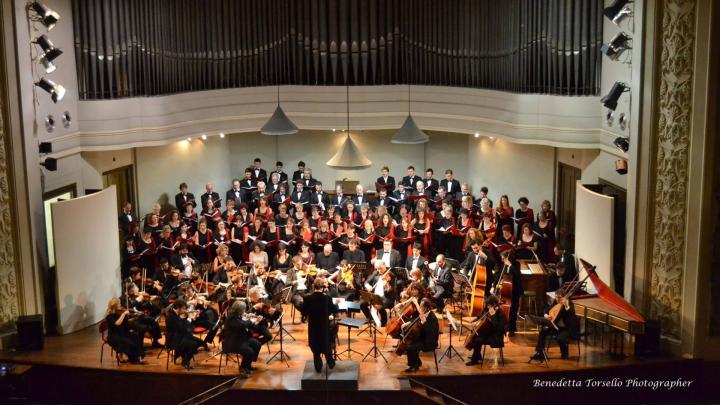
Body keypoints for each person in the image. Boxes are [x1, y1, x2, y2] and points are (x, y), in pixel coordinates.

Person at [300, 278, 338, 373]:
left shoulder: (308, 298)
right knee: (326, 344)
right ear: (323, 287)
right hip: (324, 326)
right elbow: (333, 310)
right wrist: (336, 305)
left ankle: (318, 367)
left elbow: (304, 311)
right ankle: (330, 362)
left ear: (313, 286)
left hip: (313, 326)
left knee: (315, 345)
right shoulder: (327, 298)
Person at [530, 289, 580, 361]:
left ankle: (565, 354)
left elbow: (571, 314)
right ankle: (539, 352)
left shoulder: (570, 304)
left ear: (564, 297)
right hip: (555, 327)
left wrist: (566, 306)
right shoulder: (556, 302)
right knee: (543, 331)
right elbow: (546, 310)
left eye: (559, 297)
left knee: (560, 338)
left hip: (566, 328)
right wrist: (546, 315)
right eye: (556, 297)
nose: (557, 299)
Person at [222, 300, 262, 377]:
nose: (244, 311)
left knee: (257, 344)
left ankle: (248, 365)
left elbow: (243, 323)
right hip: (233, 342)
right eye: (243, 309)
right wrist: (252, 320)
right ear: (239, 310)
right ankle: (242, 368)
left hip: (240, 338)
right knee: (249, 351)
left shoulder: (237, 315)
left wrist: (252, 319)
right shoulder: (231, 318)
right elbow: (242, 325)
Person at [165, 300, 206, 369]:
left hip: (180, 336)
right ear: (178, 308)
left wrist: (191, 318)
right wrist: (189, 319)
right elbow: (181, 328)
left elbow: (183, 325)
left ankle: (181, 355)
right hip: (174, 340)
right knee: (193, 344)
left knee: (200, 342)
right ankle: (185, 360)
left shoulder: (176, 314)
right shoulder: (171, 316)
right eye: (184, 308)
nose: (185, 310)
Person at [465, 295, 506, 365]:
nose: (487, 306)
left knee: (477, 340)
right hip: (490, 334)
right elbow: (482, 316)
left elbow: (499, 329)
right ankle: (477, 356)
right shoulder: (489, 310)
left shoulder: (500, 313)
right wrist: (474, 320)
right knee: (477, 335)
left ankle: (475, 360)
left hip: (496, 338)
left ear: (494, 305)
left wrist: (493, 316)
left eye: (489, 305)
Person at [403, 298, 439, 372]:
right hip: (422, 338)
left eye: (421, 306)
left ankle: (413, 366)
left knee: (411, 347)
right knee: (408, 344)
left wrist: (424, 322)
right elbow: (415, 319)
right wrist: (408, 323)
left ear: (426, 308)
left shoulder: (432, 318)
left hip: (429, 342)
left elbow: (431, 333)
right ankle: (416, 363)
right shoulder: (423, 314)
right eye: (419, 305)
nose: (419, 307)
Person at [105, 298, 145, 364]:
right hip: (114, 336)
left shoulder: (119, 314)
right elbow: (117, 324)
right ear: (114, 306)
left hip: (122, 333)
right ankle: (133, 359)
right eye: (119, 304)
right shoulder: (110, 316)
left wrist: (133, 319)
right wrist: (123, 314)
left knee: (135, 336)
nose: (120, 305)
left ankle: (139, 356)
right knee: (128, 342)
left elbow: (125, 324)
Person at [360, 262, 395, 326]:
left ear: (385, 266)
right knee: (362, 304)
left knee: (380, 307)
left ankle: (383, 322)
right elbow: (367, 282)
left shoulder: (391, 275)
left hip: (386, 297)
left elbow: (392, 289)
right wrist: (368, 286)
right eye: (378, 269)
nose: (379, 270)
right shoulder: (376, 273)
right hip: (375, 296)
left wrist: (387, 286)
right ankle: (370, 318)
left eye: (381, 268)